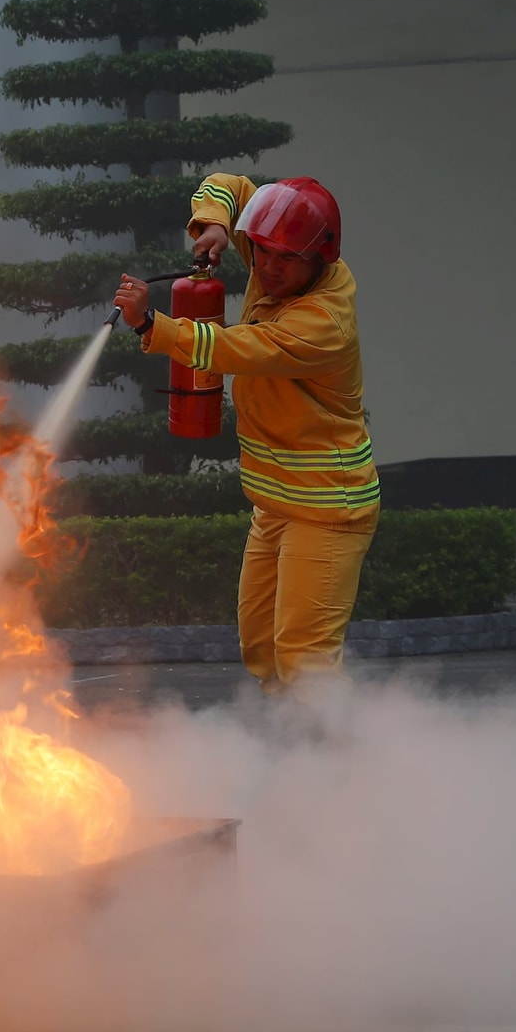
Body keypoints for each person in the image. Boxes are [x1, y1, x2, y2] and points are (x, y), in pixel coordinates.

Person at [113, 173, 378, 692]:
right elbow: (228, 187)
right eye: (260, 252)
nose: (268, 268)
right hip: (275, 501)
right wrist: (213, 226)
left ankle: (341, 743)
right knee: (261, 648)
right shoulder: (273, 250)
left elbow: (235, 348)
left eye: (286, 259)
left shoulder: (324, 322)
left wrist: (151, 325)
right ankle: (292, 737)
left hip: (328, 508)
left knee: (305, 661)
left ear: (319, 258)